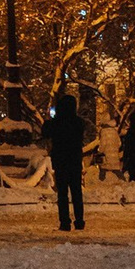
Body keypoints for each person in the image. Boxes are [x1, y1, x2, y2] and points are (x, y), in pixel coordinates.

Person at [46, 92, 88, 232]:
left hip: (61, 161)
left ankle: (65, 222)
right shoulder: (78, 122)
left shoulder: (57, 122)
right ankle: (79, 221)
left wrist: (51, 118)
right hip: (75, 160)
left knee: (62, 193)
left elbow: (45, 132)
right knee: (76, 192)